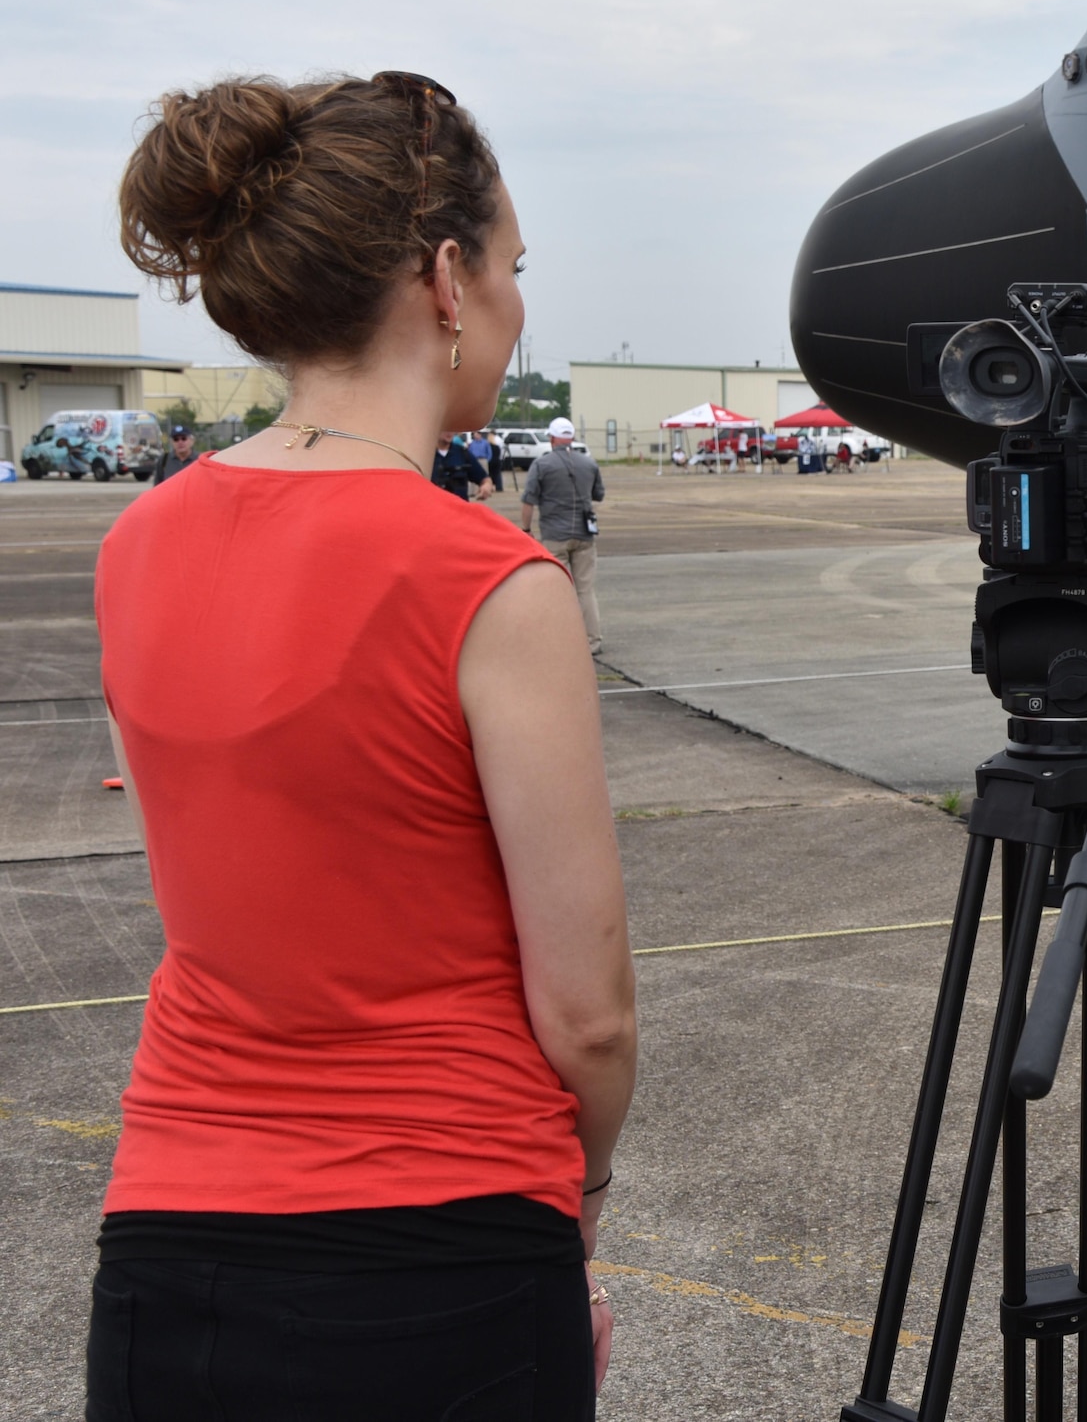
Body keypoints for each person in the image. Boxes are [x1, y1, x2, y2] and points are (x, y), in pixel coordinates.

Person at [92, 71, 634, 1419]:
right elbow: (589, 1010)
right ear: (446, 281)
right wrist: (583, 1192)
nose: (517, 302)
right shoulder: (490, 579)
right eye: (513, 266)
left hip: (171, 1233)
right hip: (441, 1235)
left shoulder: (135, 542)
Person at [521, 417, 605, 656]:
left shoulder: (542, 465)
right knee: (585, 590)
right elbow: (599, 494)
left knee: (557, 590)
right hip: (584, 535)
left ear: (552, 438)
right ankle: (593, 640)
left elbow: (529, 501)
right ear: (572, 437)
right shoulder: (589, 464)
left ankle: (557, 639)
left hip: (554, 534)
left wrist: (526, 529)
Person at [433, 430, 494, 500]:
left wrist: (486, 486)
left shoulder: (462, 453)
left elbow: (484, 478)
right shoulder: (425, 455)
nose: (449, 432)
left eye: (452, 428)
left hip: (458, 507)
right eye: (445, 429)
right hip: (433, 506)